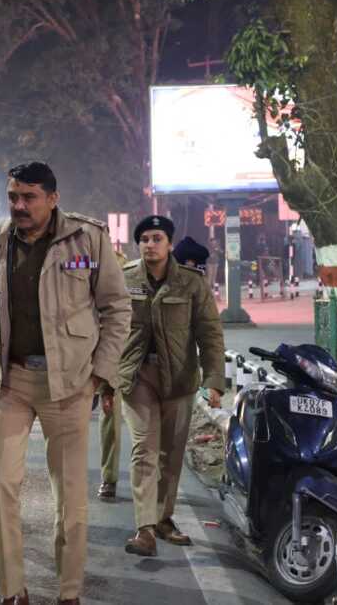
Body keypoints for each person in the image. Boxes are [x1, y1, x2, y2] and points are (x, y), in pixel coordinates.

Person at [0, 162, 131, 605]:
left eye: (29, 197)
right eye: (13, 197)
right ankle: (12, 591)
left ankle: (68, 592)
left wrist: (100, 373)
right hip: (11, 382)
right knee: (1, 483)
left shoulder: (87, 238)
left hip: (70, 384)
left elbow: (117, 308)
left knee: (71, 496)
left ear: (53, 198)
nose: (19, 205)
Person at [116, 215, 225, 558]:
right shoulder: (123, 278)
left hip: (179, 378)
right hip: (136, 376)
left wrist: (214, 381)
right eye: (144, 239)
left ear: (169, 243)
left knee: (171, 454)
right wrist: (103, 378)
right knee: (144, 449)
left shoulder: (191, 283)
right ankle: (145, 528)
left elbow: (210, 334)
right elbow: (107, 326)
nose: (150, 244)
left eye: (157, 238)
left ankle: (163, 518)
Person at [97, 245, 127, 504]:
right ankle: (109, 478)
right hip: (101, 353)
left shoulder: (127, 268)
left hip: (132, 353)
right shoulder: (85, 265)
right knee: (110, 421)